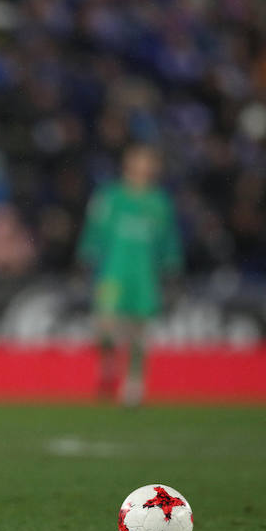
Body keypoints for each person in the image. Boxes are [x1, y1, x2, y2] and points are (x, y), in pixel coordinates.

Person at [77, 144, 182, 407]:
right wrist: (86, 257)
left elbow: (168, 240)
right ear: (128, 163)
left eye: (149, 161)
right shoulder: (110, 197)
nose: (145, 166)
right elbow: (94, 229)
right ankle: (108, 364)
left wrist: (172, 268)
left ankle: (134, 382)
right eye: (140, 160)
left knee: (139, 330)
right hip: (112, 273)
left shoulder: (159, 203)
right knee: (105, 325)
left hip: (144, 275)